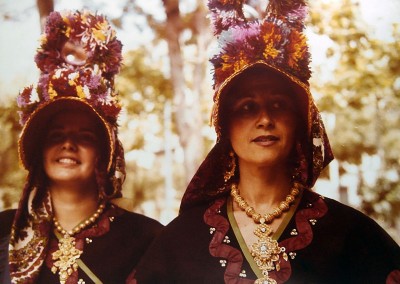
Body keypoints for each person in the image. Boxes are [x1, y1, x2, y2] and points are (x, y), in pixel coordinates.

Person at [130, 0, 400, 283]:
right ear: (225, 126)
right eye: (247, 107)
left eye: (279, 105)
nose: (265, 119)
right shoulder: (182, 239)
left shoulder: (349, 234)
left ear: (299, 122)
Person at [0, 10, 163, 283]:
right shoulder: (5, 230)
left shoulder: (146, 238)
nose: (67, 144)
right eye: (55, 135)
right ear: (39, 149)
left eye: (85, 136)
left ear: (104, 152)